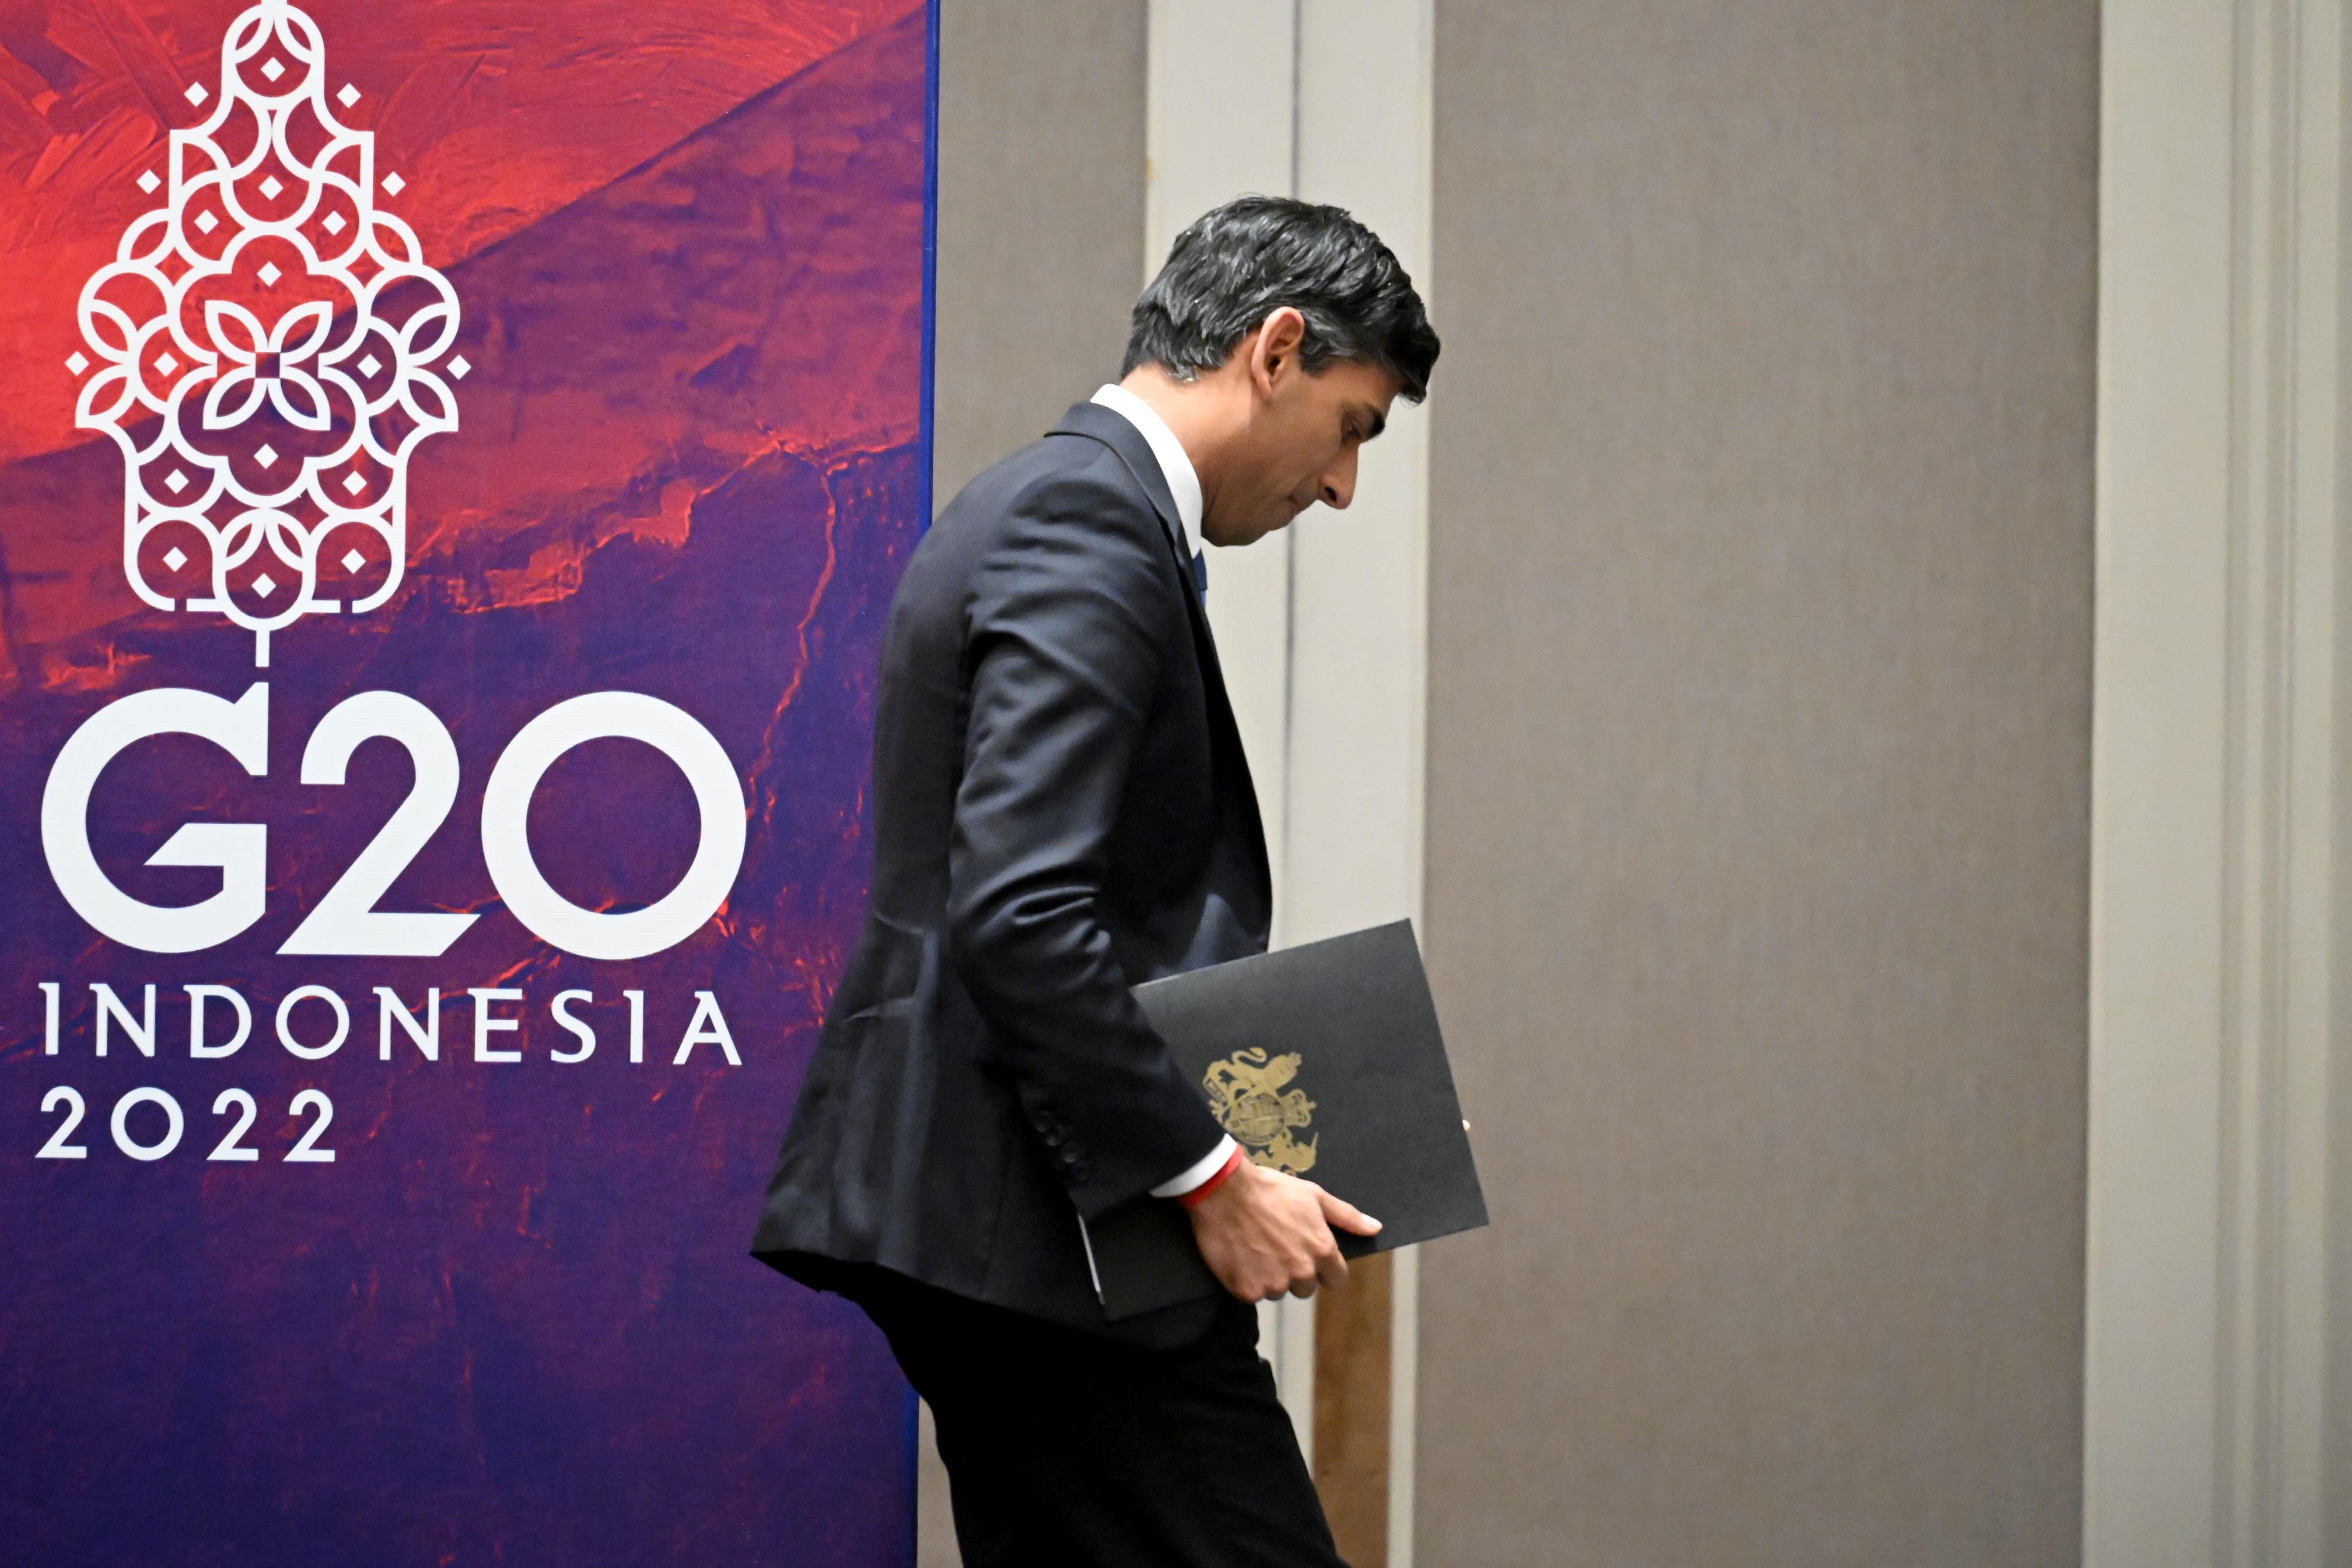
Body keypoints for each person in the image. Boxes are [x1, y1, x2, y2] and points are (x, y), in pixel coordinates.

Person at [752, 194, 1440, 1567]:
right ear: (1275, 348)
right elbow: (1020, 914)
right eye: (1354, 427)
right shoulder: (1086, 521)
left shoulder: (1065, 508)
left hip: (1013, 1227)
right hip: (1048, 1239)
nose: (1346, 485)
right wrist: (1208, 1178)